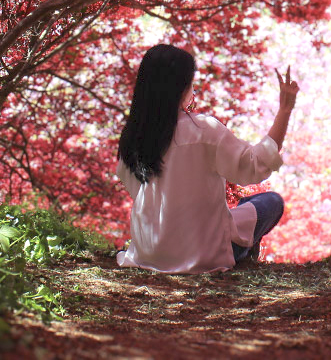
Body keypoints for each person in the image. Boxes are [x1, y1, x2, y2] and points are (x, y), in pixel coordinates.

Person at [114, 44, 299, 273]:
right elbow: (254, 165)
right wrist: (285, 110)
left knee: (235, 213)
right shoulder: (203, 130)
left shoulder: (132, 137)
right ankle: (245, 250)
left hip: (149, 254)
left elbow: (136, 189)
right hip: (204, 255)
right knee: (271, 201)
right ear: (181, 87)